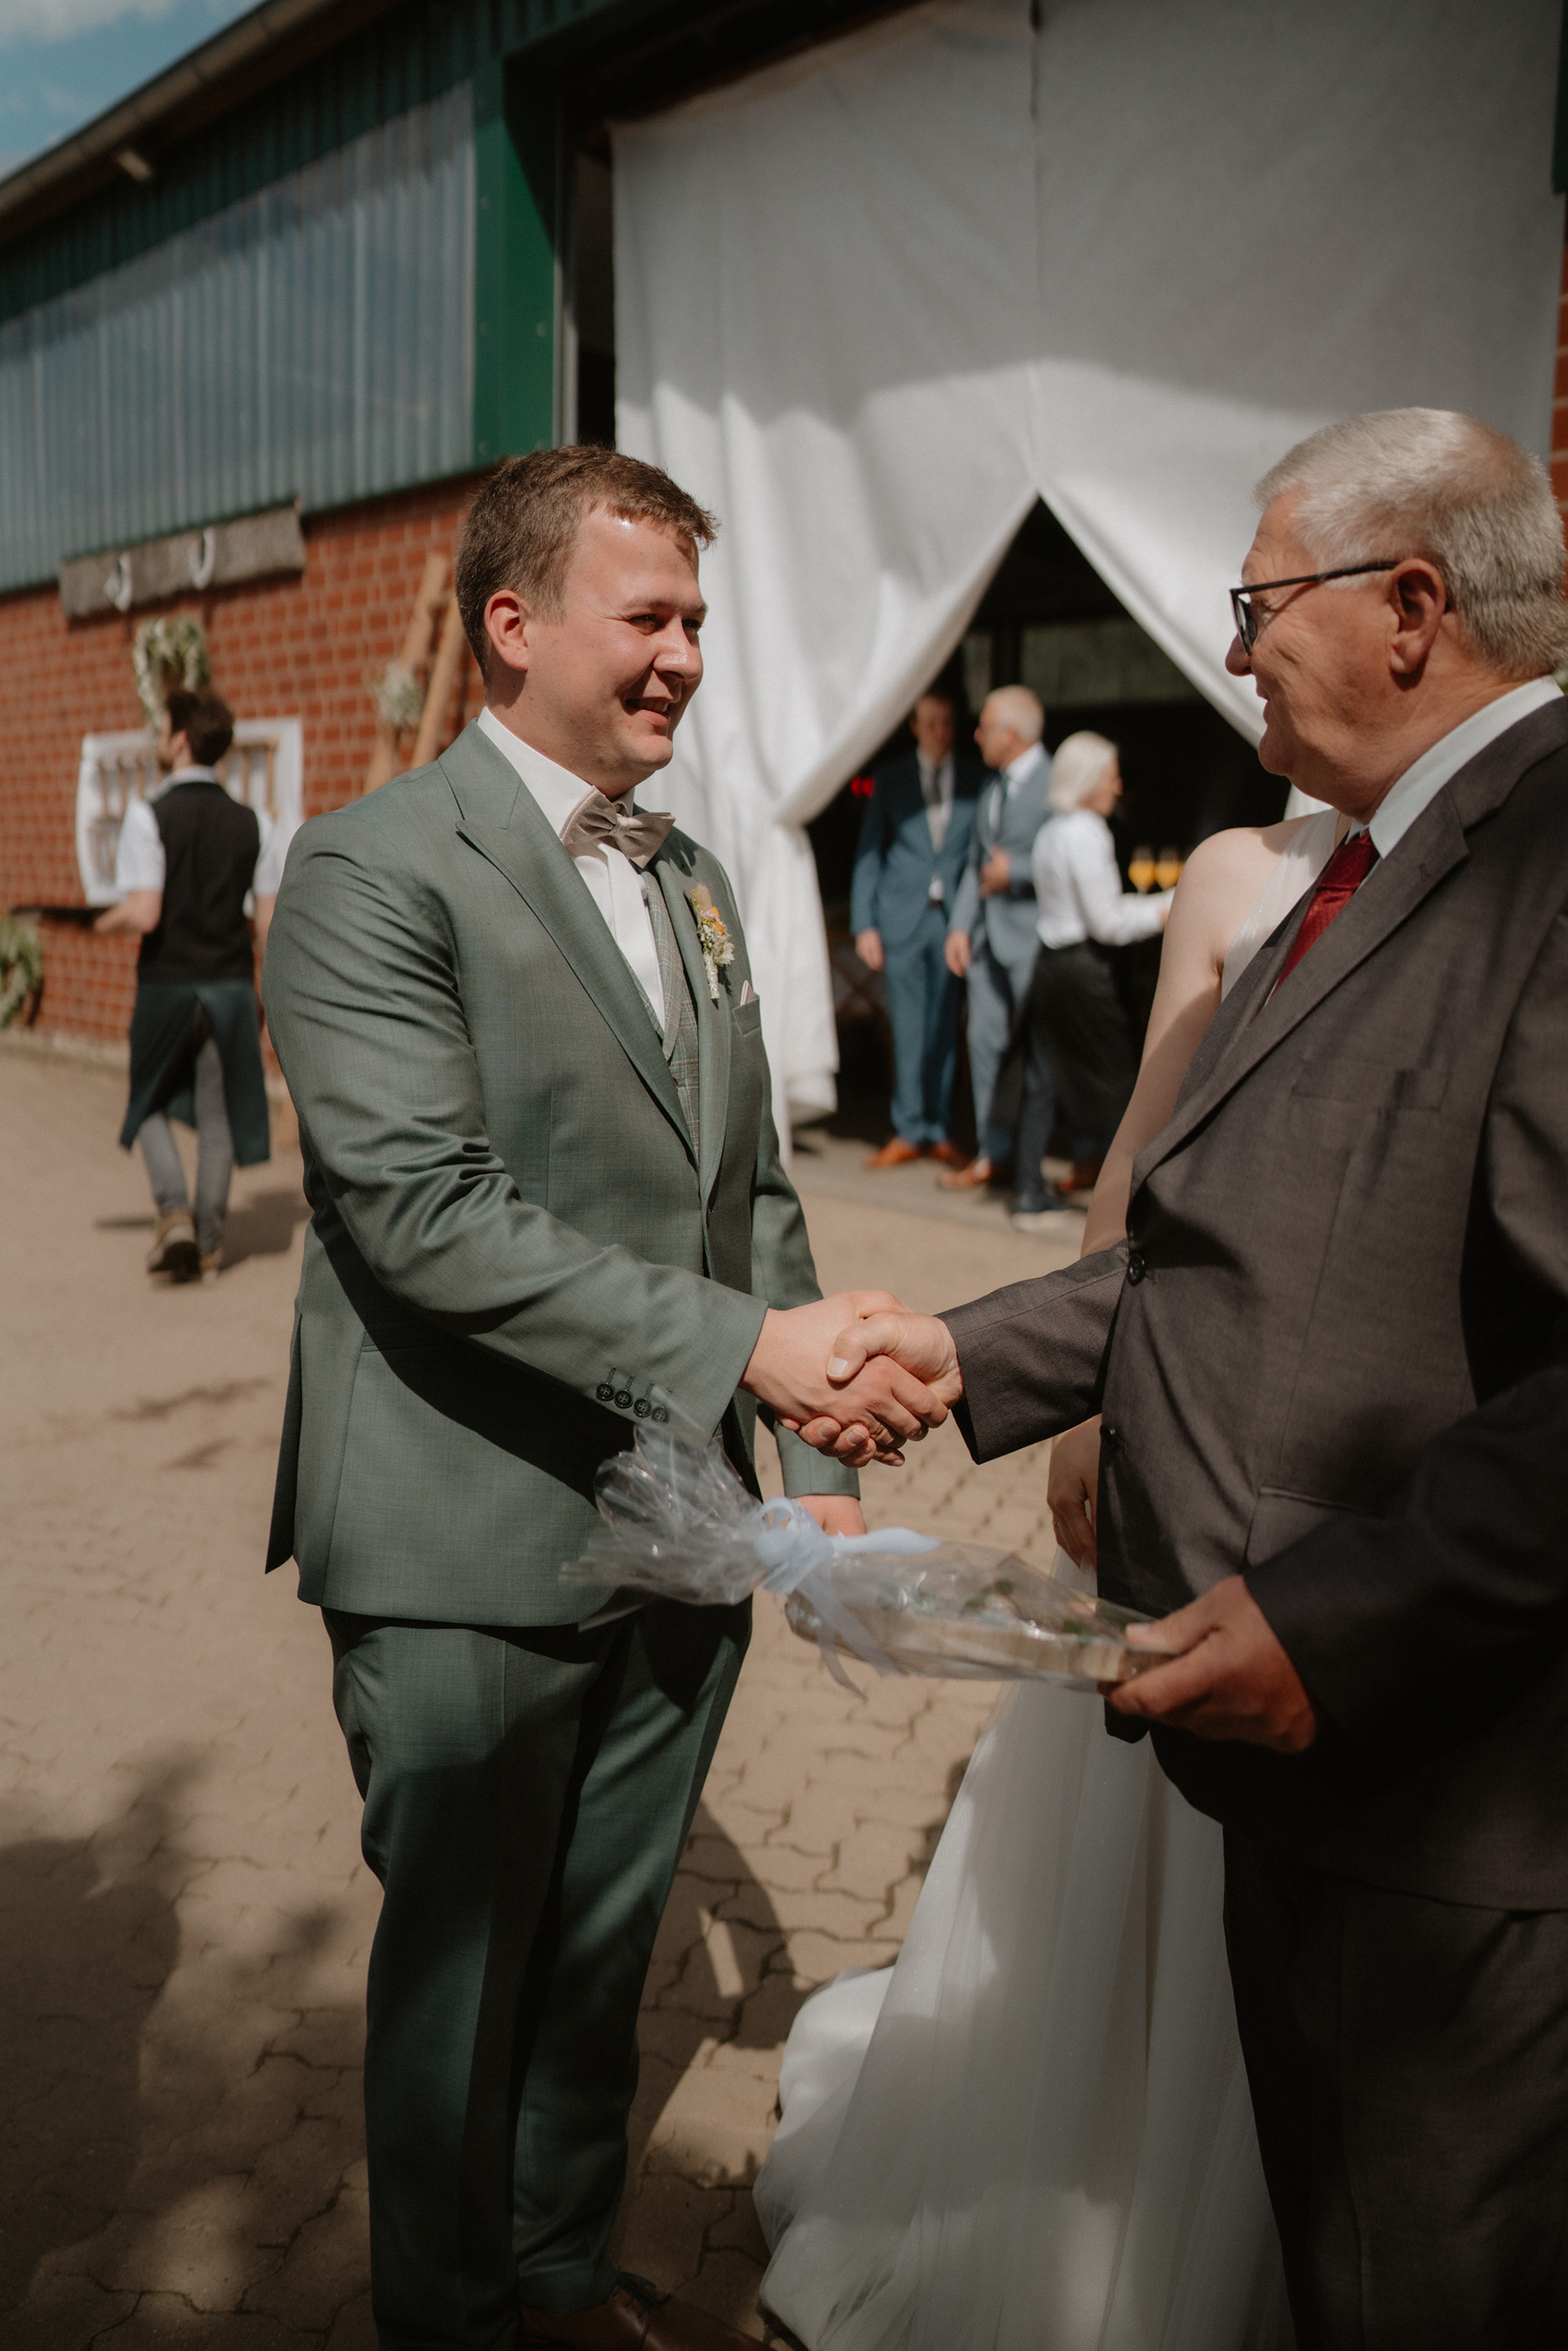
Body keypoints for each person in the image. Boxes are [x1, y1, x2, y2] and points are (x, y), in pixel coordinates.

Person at [808, 408, 1568, 2349]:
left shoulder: (1544, 861)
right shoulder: (1365, 863)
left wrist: (1330, 1619)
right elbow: (1224, 1238)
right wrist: (967, 1353)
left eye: (1257, 604)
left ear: (1413, 606)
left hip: (1439, 1801)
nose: (1228, 655)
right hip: (1299, 1762)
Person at [261, 446, 942, 2351]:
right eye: (648, 617)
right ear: (512, 624)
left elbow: (756, 1191)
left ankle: (549, 2283)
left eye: (698, 622)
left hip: (684, 1532)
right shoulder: (372, 869)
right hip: (466, 1539)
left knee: (590, 1967)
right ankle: (443, 2315)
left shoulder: (698, 877)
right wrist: (742, 1353)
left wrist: (807, 1460)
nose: (685, 659)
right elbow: (421, 1218)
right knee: (462, 1985)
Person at [753, 801, 1343, 2351]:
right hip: (1199, 1480)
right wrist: (1081, 1409)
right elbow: (1144, 1159)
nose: (1239, 656)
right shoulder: (1239, 871)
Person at [96, 685, 281, 1283]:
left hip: (168, 984)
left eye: (161, 729)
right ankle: (207, 1245)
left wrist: (105, 921)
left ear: (179, 739)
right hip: (229, 987)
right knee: (218, 1115)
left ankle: (173, 1209)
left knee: (146, 1100)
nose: (157, 739)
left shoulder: (149, 815)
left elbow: (146, 912)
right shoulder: (257, 824)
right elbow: (270, 929)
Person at [1010, 731, 1171, 1229]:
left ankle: (1028, 1194)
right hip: (1082, 971)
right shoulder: (1088, 832)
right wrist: (1171, 906)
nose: (1117, 785)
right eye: (1109, 775)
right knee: (1121, 1086)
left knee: (1041, 1082)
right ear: (1087, 781)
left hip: (1049, 965)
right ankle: (1135, 1206)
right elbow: (1108, 923)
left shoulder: (1051, 831)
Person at [849, 687, 980, 1169]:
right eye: (931, 723)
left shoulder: (976, 778)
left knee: (946, 1029)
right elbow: (869, 855)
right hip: (900, 919)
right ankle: (907, 1130)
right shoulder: (891, 779)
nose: (940, 732)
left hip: (952, 925)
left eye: (947, 722)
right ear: (915, 727)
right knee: (907, 1030)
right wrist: (865, 924)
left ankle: (938, 1129)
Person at [939, 685, 1052, 1191]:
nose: (977, 735)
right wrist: (960, 927)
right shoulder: (991, 787)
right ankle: (994, 1152)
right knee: (983, 1045)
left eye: (985, 727)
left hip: (1036, 939)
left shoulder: (1056, 783)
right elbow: (973, 865)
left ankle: (1073, 1155)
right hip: (985, 942)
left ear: (1011, 734)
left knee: (1047, 1052)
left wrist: (1021, 871)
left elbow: (1081, 851)